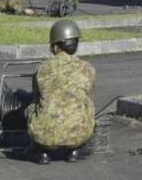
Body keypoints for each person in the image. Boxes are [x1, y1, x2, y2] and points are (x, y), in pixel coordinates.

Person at [26, 19, 96, 164]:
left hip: (43, 135)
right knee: (87, 104)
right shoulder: (88, 68)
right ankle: (74, 151)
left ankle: (43, 153)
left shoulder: (42, 68)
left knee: (31, 106)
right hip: (80, 134)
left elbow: (36, 96)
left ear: (56, 46)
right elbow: (86, 92)